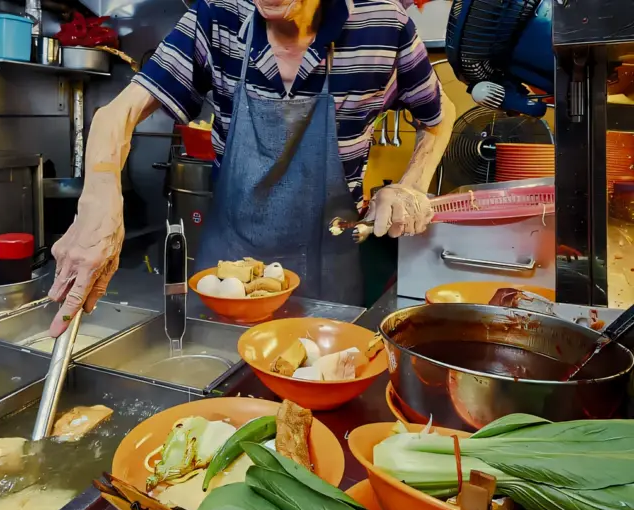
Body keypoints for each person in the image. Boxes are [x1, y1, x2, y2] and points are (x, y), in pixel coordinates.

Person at [47, 0, 455, 336]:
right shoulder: (217, 18)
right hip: (227, 274)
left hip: (329, 273)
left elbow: (439, 117)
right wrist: (99, 196)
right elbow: (118, 113)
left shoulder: (384, 26)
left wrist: (410, 184)